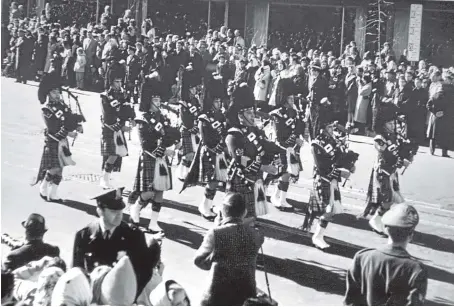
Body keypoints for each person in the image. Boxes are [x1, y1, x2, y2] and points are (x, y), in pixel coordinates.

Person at [344, 204, 428, 306]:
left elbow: (351, 300)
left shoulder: (362, 257)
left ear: (385, 230)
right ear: (411, 235)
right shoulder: (416, 269)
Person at [127, 76, 181, 233]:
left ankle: (153, 222)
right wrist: (165, 148)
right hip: (150, 157)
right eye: (155, 100)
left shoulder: (162, 117)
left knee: (159, 190)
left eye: (159, 99)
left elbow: (169, 134)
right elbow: (147, 143)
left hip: (161, 158)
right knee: (149, 191)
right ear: (148, 101)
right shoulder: (143, 119)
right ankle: (136, 209)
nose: (158, 102)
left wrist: (174, 139)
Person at [225, 85, 283, 223]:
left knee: (251, 216)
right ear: (240, 115)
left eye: (253, 111)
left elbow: (267, 145)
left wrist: (280, 153)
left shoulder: (254, 131)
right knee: (236, 217)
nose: (253, 115)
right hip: (241, 179)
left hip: (255, 178)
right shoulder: (234, 135)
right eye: (249, 112)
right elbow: (241, 160)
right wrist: (264, 167)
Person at [194, 193, 264, 306]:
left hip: (217, 295)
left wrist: (218, 227)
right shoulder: (257, 235)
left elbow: (200, 262)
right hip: (245, 296)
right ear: (245, 212)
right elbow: (239, 229)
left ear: (222, 211)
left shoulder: (216, 233)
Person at [72, 188, 148, 291]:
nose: (119, 215)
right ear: (100, 211)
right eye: (113, 211)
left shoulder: (134, 236)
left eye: (120, 211)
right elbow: (76, 273)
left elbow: (143, 273)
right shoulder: (84, 235)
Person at [301, 121, 358, 250]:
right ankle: (317, 236)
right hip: (323, 180)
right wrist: (340, 173)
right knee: (328, 210)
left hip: (332, 181)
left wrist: (350, 164)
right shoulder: (317, 144)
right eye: (329, 126)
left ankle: (318, 235)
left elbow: (339, 159)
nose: (332, 129)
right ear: (322, 129)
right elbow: (322, 167)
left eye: (332, 126)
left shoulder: (333, 141)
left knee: (331, 211)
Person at [361, 104, 417, 234]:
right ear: (383, 124)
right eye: (390, 123)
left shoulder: (395, 136)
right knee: (388, 200)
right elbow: (387, 155)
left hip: (391, 173)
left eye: (393, 123)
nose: (393, 125)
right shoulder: (379, 138)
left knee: (399, 201)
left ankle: (383, 221)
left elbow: (403, 148)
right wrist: (401, 160)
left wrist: (410, 153)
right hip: (383, 172)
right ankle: (377, 220)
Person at [33, 71, 83, 201]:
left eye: (58, 92)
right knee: (54, 168)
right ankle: (43, 186)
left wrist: (77, 124)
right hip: (53, 141)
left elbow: (68, 119)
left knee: (60, 169)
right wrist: (69, 132)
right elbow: (53, 129)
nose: (57, 94)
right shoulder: (47, 110)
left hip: (63, 141)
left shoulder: (63, 106)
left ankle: (53, 194)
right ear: (48, 93)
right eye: (54, 92)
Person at [181, 91, 228, 221]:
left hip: (220, 152)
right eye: (216, 101)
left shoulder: (221, 115)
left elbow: (225, 131)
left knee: (219, 181)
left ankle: (207, 205)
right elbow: (205, 137)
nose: (219, 103)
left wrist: (223, 144)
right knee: (212, 181)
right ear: (210, 102)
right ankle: (205, 206)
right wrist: (216, 147)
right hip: (208, 151)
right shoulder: (204, 117)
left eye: (220, 101)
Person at [268, 78, 305, 211]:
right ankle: (281, 199)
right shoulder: (278, 115)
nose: (292, 100)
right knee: (285, 173)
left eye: (292, 98)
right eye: (289, 98)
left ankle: (276, 195)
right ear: (284, 99)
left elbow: (298, 128)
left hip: (292, 148)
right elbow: (280, 136)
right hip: (282, 147)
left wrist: (299, 135)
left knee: (287, 174)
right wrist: (295, 139)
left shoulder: (294, 112)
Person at [99, 68, 135, 189]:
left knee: (116, 154)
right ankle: (104, 178)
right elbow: (108, 116)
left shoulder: (122, 94)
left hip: (119, 129)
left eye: (120, 81)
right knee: (112, 154)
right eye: (117, 82)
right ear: (111, 82)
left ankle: (106, 177)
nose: (120, 84)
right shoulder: (106, 96)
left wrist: (132, 117)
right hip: (109, 128)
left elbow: (127, 109)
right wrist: (122, 126)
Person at [427, 71, 451, 157]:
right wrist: (436, 113)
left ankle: (443, 152)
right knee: (434, 134)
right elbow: (429, 104)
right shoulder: (436, 95)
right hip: (438, 117)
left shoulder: (450, 96)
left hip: (444, 117)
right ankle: (433, 150)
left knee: (443, 134)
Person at [307, 60, 330, 139]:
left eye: (314, 70)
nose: (312, 72)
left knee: (317, 124)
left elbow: (325, 93)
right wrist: (309, 96)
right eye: (312, 70)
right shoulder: (312, 79)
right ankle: (312, 138)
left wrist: (322, 102)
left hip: (319, 105)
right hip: (312, 104)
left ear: (317, 71)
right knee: (311, 122)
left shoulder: (323, 80)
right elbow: (311, 91)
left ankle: (316, 139)